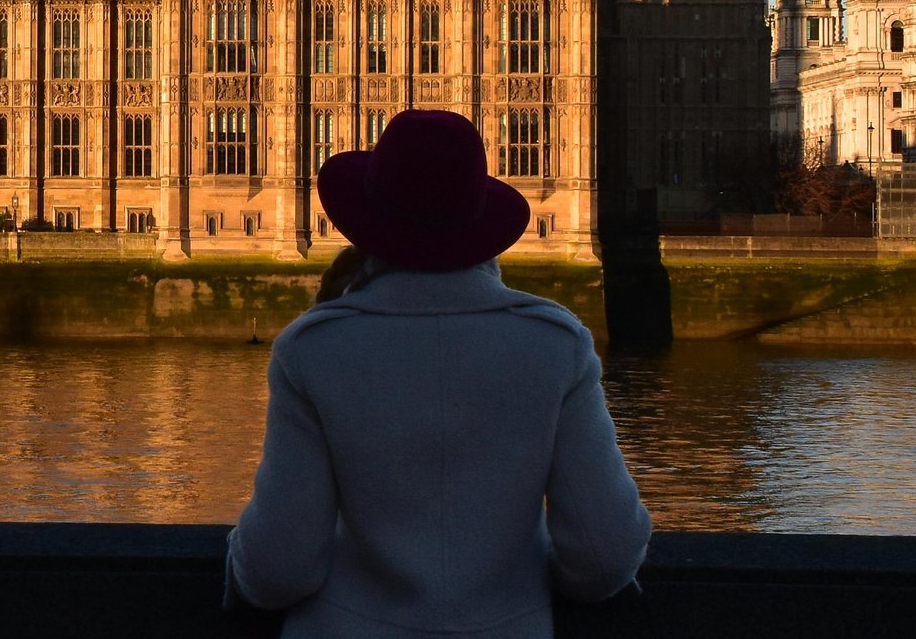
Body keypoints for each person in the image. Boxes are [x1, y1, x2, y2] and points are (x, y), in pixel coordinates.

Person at [226, 110, 650, 638]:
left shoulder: (314, 349)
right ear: (481, 227)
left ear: (368, 226)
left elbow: (277, 570)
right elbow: (605, 554)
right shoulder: (554, 345)